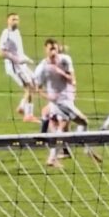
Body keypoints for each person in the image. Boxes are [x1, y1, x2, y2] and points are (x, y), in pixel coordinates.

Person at [33, 39, 98, 167]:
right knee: (83, 122)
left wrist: (61, 72)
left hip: (68, 99)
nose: (53, 51)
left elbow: (72, 79)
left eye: (55, 48)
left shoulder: (65, 60)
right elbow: (37, 89)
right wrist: (49, 97)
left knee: (62, 128)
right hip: (59, 102)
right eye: (51, 49)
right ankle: (84, 147)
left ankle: (52, 158)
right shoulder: (41, 68)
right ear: (45, 50)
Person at [0, 13, 37, 122]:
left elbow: (19, 51)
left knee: (34, 84)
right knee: (29, 87)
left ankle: (22, 108)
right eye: (13, 19)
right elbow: (1, 52)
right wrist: (17, 60)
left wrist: (27, 59)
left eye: (17, 19)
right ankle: (28, 114)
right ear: (8, 21)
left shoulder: (17, 32)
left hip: (22, 65)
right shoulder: (6, 34)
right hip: (14, 66)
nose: (15, 21)